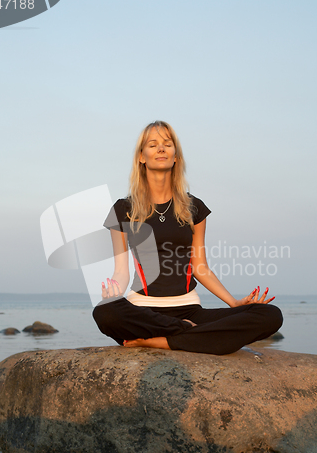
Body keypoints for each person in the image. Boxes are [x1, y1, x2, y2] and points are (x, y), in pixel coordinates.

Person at [92, 121, 283, 355]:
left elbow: (200, 267)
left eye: (167, 144)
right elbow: (121, 271)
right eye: (153, 145)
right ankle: (187, 333)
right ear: (141, 156)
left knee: (270, 315)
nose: (161, 149)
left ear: (176, 157)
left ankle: (160, 341)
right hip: (143, 311)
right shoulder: (124, 209)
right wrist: (112, 294)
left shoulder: (194, 208)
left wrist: (234, 304)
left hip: (190, 310)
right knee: (104, 312)